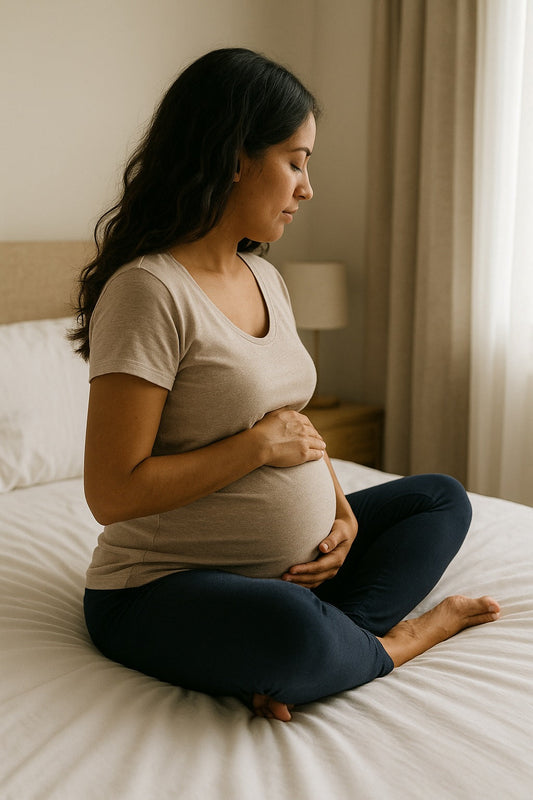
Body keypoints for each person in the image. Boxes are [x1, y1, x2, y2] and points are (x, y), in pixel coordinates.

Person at [73, 48, 500, 722]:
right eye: (295, 161)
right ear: (235, 157)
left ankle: (320, 650)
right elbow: (111, 490)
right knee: (290, 626)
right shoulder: (148, 291)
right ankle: (389, 643)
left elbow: (291, 420)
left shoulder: (264, 276)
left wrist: (339, 509)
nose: (306, 187)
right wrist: (256, 449)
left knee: (440, 500)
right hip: (158, 590)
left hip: (288, 578)